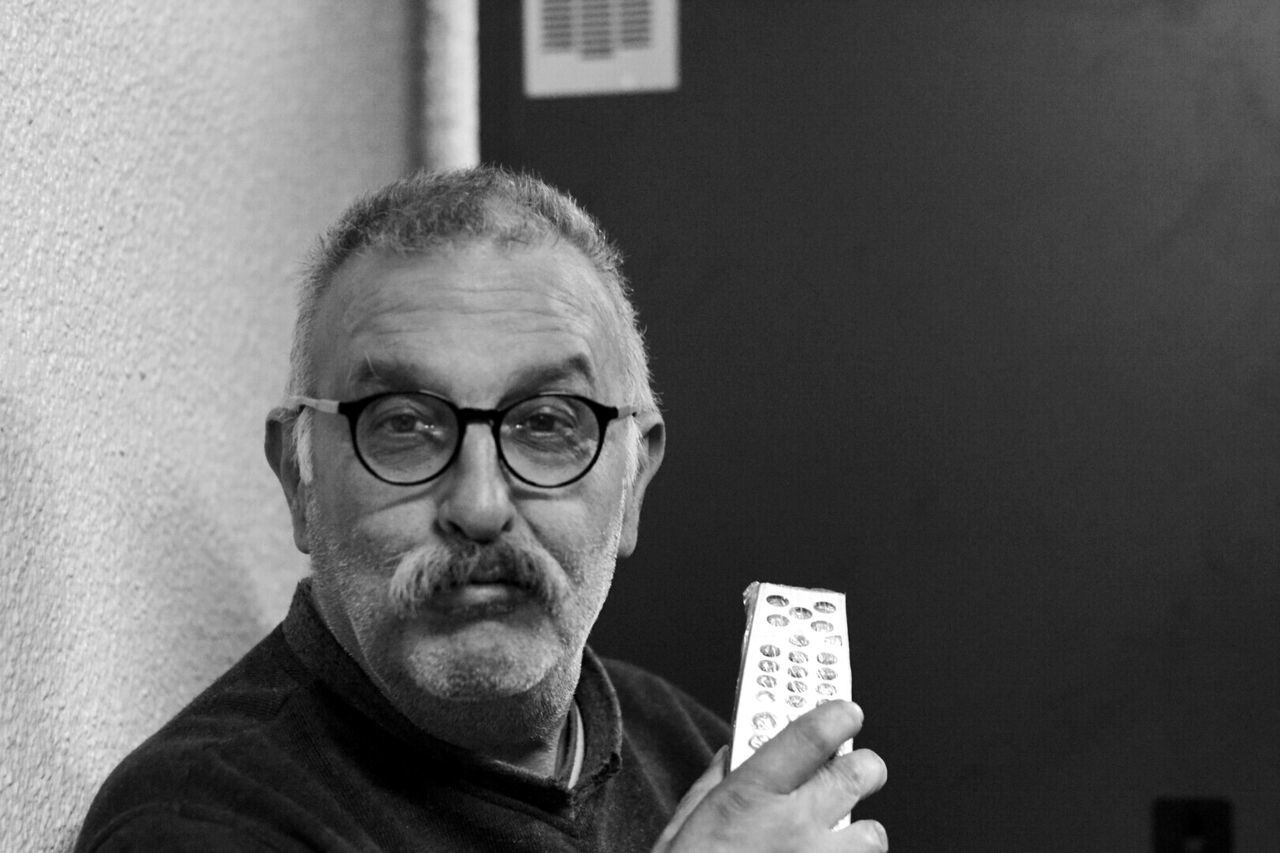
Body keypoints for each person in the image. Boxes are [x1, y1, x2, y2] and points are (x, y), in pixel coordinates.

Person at [74, 166, 888, 852]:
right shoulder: (196, 820)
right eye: (401, 425)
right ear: (300, 480)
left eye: (546, 424)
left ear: (634, 482)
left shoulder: (699, 754)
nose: (478, 503)